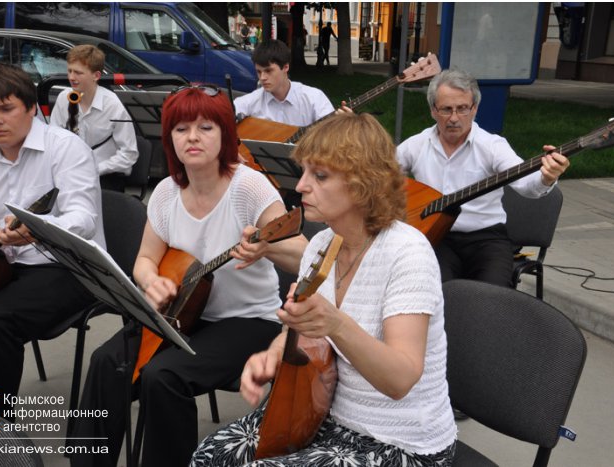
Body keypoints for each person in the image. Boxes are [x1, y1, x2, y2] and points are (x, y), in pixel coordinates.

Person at [191, 112, 457, 466]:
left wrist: (336, 324)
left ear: (364, 184)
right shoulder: (322, 245)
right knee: (209, 456)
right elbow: (296, 326)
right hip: (325, 418)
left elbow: (401, 379)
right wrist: (271, 354)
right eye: (304, 172)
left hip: (401, 442)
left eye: (319, 176)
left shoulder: (407, 254)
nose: (300, 186)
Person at [69, 85, 307, 467]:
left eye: (205, 127)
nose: (192, 137)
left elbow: (304, 256)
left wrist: (267, 247)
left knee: (162, 377)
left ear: (225, 135)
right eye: (181, 129)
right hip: (182, 314)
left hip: (245, 321)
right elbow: (146, 258)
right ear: (169, 139)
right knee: (106, 361)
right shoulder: (166, 192)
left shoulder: (249, 187)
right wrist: (152, 282)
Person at [0, 62, 104, 416]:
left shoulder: (67, 148)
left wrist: (37, 228)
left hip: (67, 267)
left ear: (31, 108)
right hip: (2, 265)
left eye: (6, 108)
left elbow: (84, 219)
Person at [396, 68, 570, 288]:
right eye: (446, 110)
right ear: (433, 110)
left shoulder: (492, 146)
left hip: (486, 239)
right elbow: (381, 173)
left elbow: (527, 186)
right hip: (437, 238)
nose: (454, 118)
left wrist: (546, 178)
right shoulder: (417, 145)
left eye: (462, 109)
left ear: (475, 109)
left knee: (492, 297)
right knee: (435, 291)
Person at [49, 44, 138, 192]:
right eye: (69, 71)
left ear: (96, 76)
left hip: (105, 177)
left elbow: (129, 153)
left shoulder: (113, 105)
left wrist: (96, 169)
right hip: (71, 173)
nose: (71, 77)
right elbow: (53, 141)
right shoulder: (63, 98)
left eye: (78, 73)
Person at [234, 39, 335, 127]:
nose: (262, 78)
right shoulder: (251, 101)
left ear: (286, 67)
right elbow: (225, 115)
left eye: (268, 71)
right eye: (259, 72)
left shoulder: (314, 98)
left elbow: (333, 134)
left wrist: (343, 123)